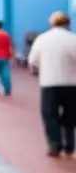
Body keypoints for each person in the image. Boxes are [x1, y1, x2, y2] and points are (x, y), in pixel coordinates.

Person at [28, 11, 76, 157]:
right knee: (71, 116)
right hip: (71, 83)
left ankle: (54, 145)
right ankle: (69, 145)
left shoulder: (42, 39)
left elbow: (32, 60)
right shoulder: (73, 39)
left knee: (50, 115)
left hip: (49, 83)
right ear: (67, 23)